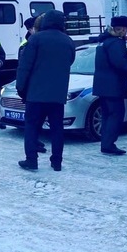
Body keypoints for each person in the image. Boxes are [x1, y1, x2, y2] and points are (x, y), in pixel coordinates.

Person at [16, 10, 76, 171]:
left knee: (31, 127)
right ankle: (57, 162)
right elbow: (70, 61)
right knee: (57, 129)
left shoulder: (35, 39)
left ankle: (31, 160)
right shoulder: (68, 41)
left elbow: (25, 66)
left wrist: (21, 88)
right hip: (57, 95)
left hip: (35, 94)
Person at [92, 16, 127, 155]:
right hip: (113, 86)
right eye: (126, 29)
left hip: (102, 86)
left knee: (107, 115)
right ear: (122, 29)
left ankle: (105, 143)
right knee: (116, 115)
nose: (126, 32)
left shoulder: (103, 42)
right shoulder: (116, 43)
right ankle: (109, 144)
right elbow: (119, 63)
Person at [19, 16, 48, 154]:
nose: (33, 30)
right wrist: (22, 89)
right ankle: (32, 147)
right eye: (31, 28)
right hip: (31, 87)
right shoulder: (27, 44)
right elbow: (23, 68)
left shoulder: (38, 40)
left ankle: (35, 141)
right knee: (32, 120)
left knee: (39, 118)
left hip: (39, 87)